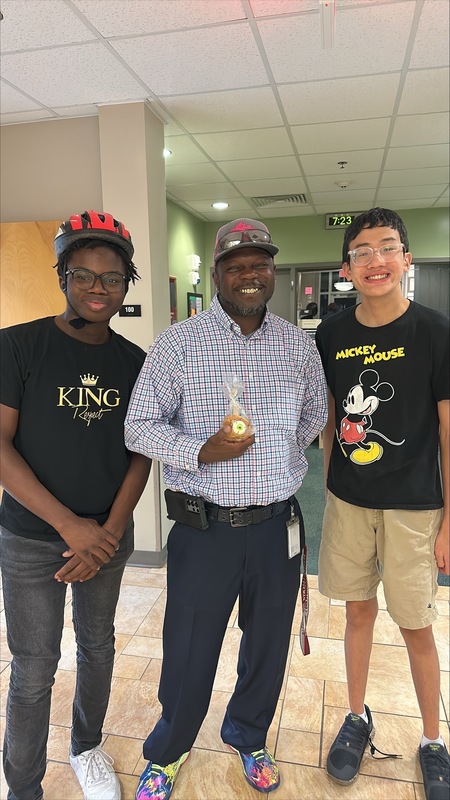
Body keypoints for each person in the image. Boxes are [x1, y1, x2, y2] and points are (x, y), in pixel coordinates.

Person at [125, 218, 328, 799]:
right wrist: (201, 450)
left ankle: (248, 735)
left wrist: (275, 462)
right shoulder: (178, 344)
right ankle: (169, 750)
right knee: (190, 647)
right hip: (205, 528)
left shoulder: (297, 346)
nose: (249, 275)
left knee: (266, 645)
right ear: (216, 275)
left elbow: (314, 416)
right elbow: (138, 426)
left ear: (272, 271)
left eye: (259, 264)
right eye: (236, 266)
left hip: (275, 527)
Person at [0, 210, 152, 800]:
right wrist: (70, 527)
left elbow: (141, 452)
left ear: (125, 285)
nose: (97, 288)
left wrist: (106, 534)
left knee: (97, 647)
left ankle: (86, 748)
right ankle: (24, 788)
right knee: (34, 667)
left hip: (107, 540)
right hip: (31, 540)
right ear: (63, 277)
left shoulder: (135, 362)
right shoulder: (18, 346)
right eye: (83, 275)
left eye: (111, 278)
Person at [315, 208, 449, 800]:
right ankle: (356, 716)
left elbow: (448, 432)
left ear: (406, 259)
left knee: (416, 625)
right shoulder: (331, 334)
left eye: (388, 248)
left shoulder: (435, 331)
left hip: (414, 508)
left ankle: (433, 740)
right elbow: (328, 417)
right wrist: (329, 482)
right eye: (362, 252)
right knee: (357, 614)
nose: (376, 260)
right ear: (347, 268)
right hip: (350, 504)